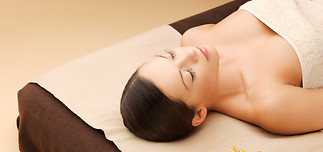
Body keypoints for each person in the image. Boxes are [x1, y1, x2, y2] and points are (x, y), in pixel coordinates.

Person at [120, 0, 323, 142]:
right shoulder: (271, 104)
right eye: (189, 74)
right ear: (199, 114)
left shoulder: (194, 37)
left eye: (170, 54)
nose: (190, 54)